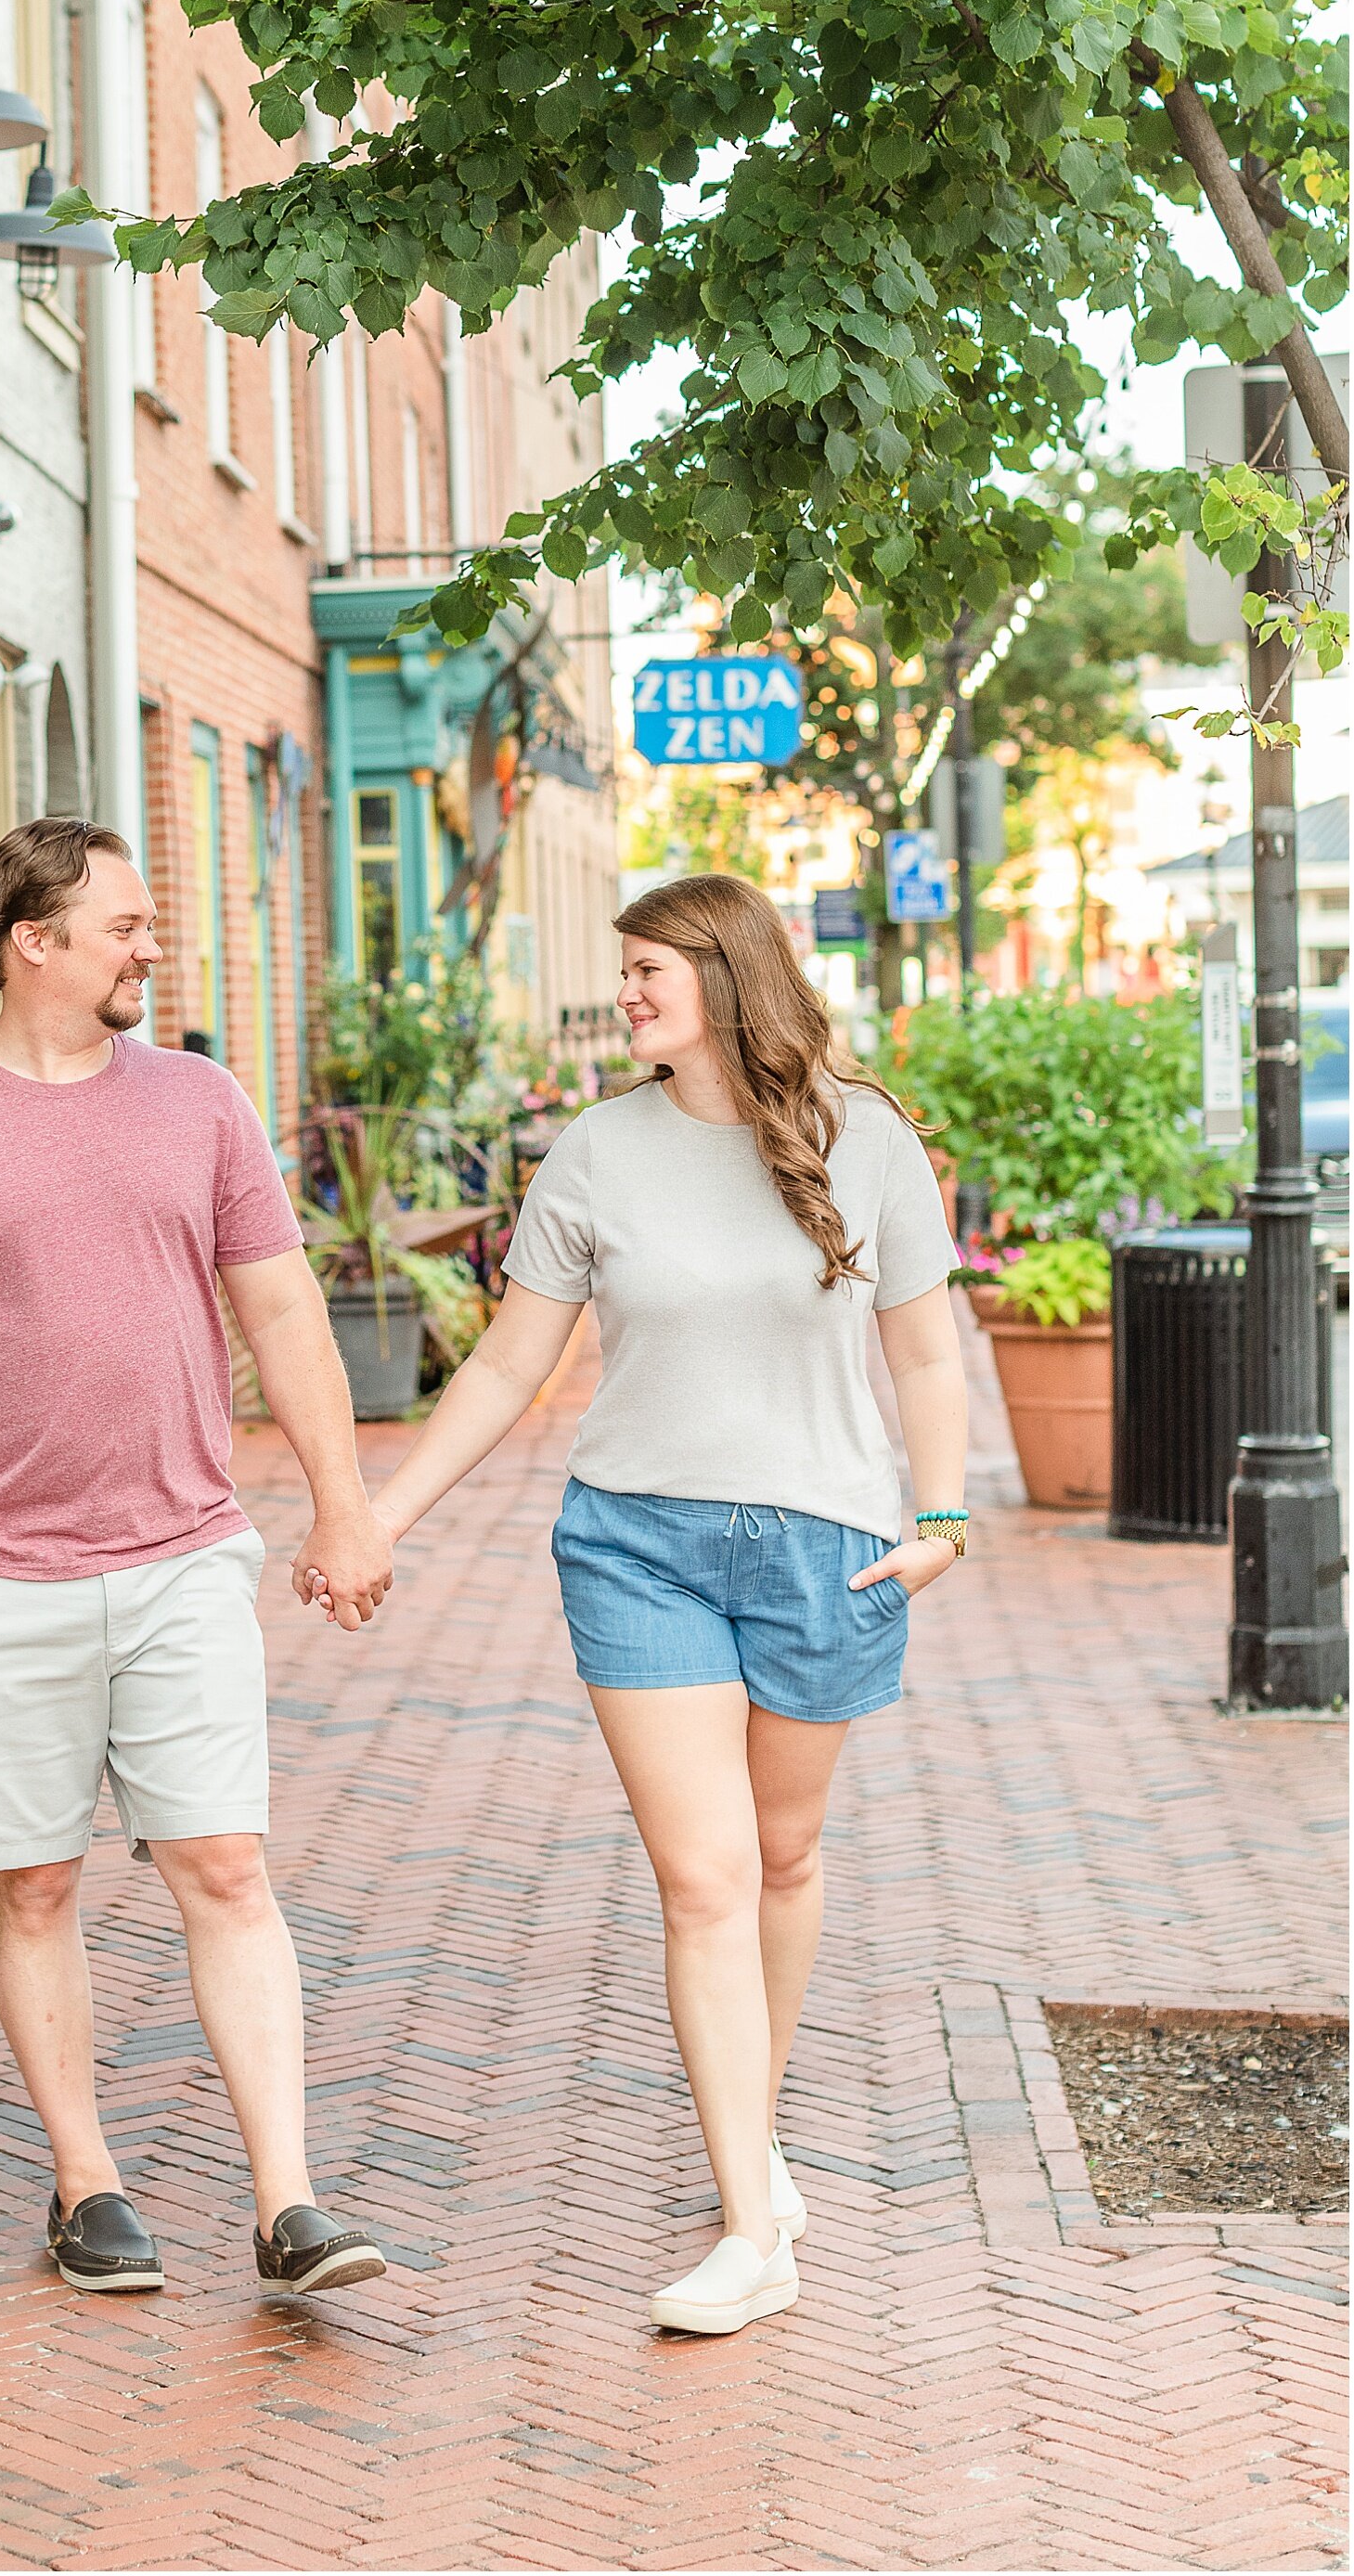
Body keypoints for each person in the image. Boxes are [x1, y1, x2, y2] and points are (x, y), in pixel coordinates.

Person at [305, 873, 966, 2338]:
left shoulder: (863, 1138)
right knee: (705, 1878)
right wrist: (375, 1512)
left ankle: (759, 2136)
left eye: (648, 968)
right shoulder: (593, 1155)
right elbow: (499, 1373)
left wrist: (939, 1521)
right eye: (623, 971)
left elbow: (923, 1358)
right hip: (637, 1547)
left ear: (728, 979)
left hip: (827, 1551)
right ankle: (748, 2224)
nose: (625, 993)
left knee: (782, 1861)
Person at [0, 817, 394, 2300]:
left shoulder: (200, 1104)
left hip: (181, 1556)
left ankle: (288, 2203)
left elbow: (279, 1316)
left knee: (224, 1863)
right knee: (33, 1888)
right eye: (125, 927)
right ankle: (87, 2182)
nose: (151, 948)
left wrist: (343, 1505)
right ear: (35, 941)